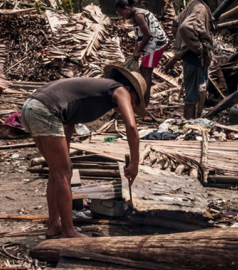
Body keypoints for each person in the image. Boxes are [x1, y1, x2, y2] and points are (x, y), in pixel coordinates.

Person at [21, 66, 145, 239]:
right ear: (130, 89)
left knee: (57, 172)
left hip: (31, 107)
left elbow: (69, 123)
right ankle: (68, 230)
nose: (131, 105)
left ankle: (54, 225)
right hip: (45, 110)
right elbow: (131, 127)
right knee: (63, 173)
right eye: (134, 101)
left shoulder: (96, 93)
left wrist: (66, 160)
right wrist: (135, 163)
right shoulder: (120, 89)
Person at [163, 0, 217, 119]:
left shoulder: (193, 3)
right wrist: (198, 48)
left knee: (192, 94)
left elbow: (176, 23)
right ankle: (189, 125)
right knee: (192, 96)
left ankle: (191, 123)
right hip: (194, 57)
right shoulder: (200, 8)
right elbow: (186, 27)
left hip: (189, 55)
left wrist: (182, 44)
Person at [115, 0, 168, 107]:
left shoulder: (138, 16)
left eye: (122, 13)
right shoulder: (135, 15)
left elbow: (147, 35)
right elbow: (138, 36)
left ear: (127, 9)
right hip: (150, 44)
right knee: (143, 69)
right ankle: (143, 99)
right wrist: (136, 51)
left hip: (156, 44)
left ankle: (145, 103)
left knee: (146, 73)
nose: (123, 17)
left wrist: (138, 51)